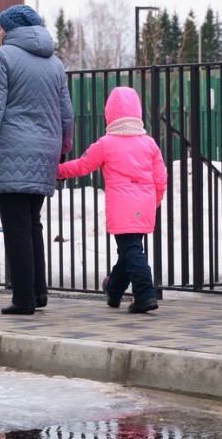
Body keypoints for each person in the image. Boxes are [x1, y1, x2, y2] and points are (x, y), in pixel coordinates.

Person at [0, 4, 74, 315]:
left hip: (12, 148)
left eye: (1, 27)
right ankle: (37, 294)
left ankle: (24, 299)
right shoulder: (55, 63)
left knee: (15, 225)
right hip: (45, 150)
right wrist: (63, 148)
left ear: (12, 29)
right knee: (32, 225)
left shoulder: (1, 57)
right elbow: (66, 114)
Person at [57, 86, 167, 313]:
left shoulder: (106, 144)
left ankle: (145, 294)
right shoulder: (149, 144)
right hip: (145, 205)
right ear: (137, 111)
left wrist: (57, 171)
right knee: (130, 249)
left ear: (110, 114)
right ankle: (114, 289)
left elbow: (82, 165)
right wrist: (154, 202)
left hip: (122, 207)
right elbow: (161, 177)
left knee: (132, 250)